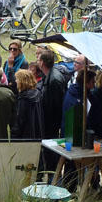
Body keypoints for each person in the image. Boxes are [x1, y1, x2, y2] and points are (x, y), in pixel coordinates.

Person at [36, 49, 69, 177]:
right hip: (48, 122)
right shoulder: (49, 76)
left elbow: (58, 105)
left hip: (52, 124)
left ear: (43, 62)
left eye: (38, 59)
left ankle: (54, 179)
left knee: (51, 154)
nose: (37, 62)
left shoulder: (55, 79)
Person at [11, 69, 44, 140]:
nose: (15, 81)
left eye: (17, 79)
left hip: (25, 137)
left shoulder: (23, 99)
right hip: (37, 134)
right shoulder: (38, 94)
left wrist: (13, 135)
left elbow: (20, 120)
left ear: (22, 81)